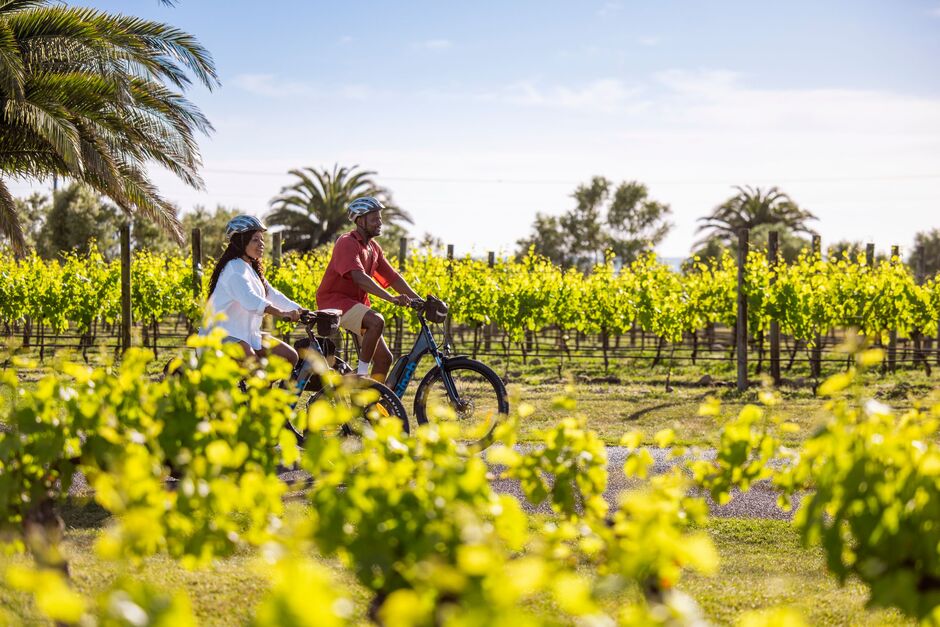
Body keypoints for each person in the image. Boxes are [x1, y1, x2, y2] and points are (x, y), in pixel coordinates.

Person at [316, 196, 420, 382]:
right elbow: (359, 277)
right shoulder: (347, 242)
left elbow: (393, 277)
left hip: (356, 304)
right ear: (360, 220)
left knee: (384, 359)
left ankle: (369, 405)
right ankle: (362, 375)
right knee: (376, 321)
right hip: (335, 303)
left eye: (380, 218)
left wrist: (419, 300)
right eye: (375, 218)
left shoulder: (373, 248)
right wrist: (391, 298)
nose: (380, 222)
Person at [203, 215, 304, 367]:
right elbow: (250, 300)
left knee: (290, 356)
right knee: (257, 370)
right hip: (222, 336)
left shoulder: (251, 269)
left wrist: (299, 309)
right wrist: (282, 313)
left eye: (262, 239)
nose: (261, 244)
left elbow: (273, 294)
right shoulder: (234, 269)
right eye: (255, 240)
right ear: (240, 242)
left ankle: (272, 390)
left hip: (246, 336)